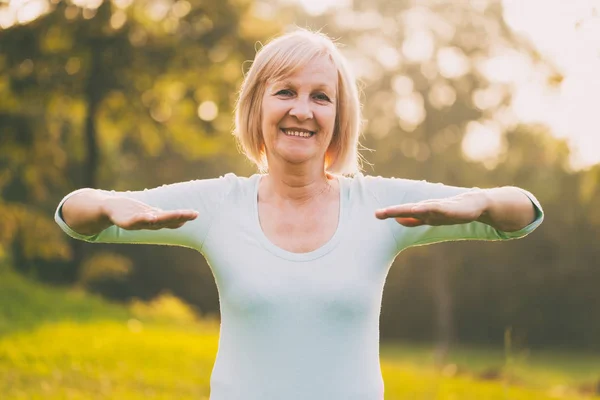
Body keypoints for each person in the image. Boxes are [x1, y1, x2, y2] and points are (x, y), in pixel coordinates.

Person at [55, 29, 544, 400]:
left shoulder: (379, 205)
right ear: (256, 106)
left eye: (321, 97)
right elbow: (72, 215)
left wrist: (481, 201)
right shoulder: (220, 204)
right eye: (285, 92)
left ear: (338, 117)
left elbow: (523, 213)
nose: (303, 111)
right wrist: (104, 203)